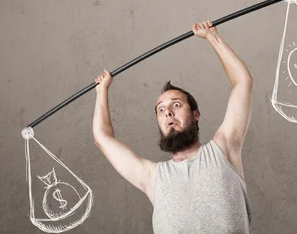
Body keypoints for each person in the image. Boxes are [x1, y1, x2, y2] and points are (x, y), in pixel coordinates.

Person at [92, 20, 253, 233]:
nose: (168, 112)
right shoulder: (152, 177)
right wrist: (101, 91)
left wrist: (213, 37)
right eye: (161, 109)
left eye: (176, 105)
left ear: (196, 114)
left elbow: (243, 82)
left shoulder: (224, 150)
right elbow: (102, 138)